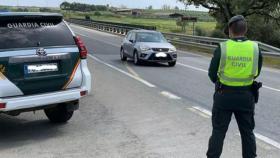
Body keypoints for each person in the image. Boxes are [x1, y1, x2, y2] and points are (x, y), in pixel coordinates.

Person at [206, 15, 263, 158]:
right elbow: (256, 72)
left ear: (230, 30)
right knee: (247, 132)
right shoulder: (255, 48)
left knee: (218, 131)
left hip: (224, 95)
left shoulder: (223, 47)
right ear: (246, 29)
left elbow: (212, 73)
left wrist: (221, 83)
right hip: (246, 97)